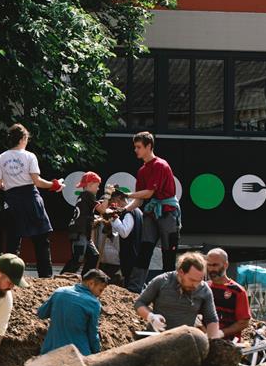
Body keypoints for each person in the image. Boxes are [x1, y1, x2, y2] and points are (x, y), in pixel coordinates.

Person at [0, 124, 63, 278]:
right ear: (23, 138)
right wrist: (54, 185)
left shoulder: (1, 157)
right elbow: (37, 182)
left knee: (13, 240)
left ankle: (8, 277)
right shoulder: (29, 156)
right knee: (41, 240)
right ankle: (45, 277)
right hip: (30, 198)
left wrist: (10, 185)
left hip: (12, 200)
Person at [123, 132, 181, 292]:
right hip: (151, 213)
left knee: (169, 252)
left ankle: (170, 290)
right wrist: (123, 210)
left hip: (167, 212)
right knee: (145, 249)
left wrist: (126, 195)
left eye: (139, 147)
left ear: (149, 146)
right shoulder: (142, 170)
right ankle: (134, 289)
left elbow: (148, 193)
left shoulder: (160, 165)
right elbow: (139, 200)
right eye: (135, 147)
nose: (136, 150)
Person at [134, 251, 223, 339]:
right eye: (192, 280)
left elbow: (211, 319)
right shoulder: (162, 281)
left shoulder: (204, 290)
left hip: (184, 342)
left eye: (199, 281)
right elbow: (140, 303)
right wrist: (151, 317)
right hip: (156, 339)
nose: (195, 285)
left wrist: (212, 339)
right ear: (181, 272)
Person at [37, 269, 109, 356]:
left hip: (50, 351)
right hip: (77, 355)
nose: (100, 294)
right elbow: (92, 333)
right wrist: (97, 353)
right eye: (100, 290)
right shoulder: (93, 303)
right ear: (91, 284)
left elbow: (41, 313)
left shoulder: (60, 292)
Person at [92, 186, 141, 284]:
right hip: (125, 258)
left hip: (125, 259)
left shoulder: (129, 212)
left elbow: (124, 233)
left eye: (111, 201)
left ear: (117, 199)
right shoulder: (133, 212)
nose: (110, 205)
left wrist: (113, 217)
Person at [206, 248, 251, 340]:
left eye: (215, 265)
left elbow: (244, 322)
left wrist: (221, 333)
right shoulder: (204, 288)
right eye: (209, 265)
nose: (211, 269)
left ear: (226, 265)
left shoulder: (238, 291)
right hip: (204, 341)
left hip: (228, 345)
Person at [62, 172, 101, 274]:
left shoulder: (83, 197)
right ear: (90, 184)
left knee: (93, 256)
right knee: (78, 258)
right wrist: (108, 195)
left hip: (83, 232)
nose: (98, 189)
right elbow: (102, 209)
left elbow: (85, 215)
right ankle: (63, 277)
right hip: (79, 232)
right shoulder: (88, 195)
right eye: (97, 186)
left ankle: (85, 280)